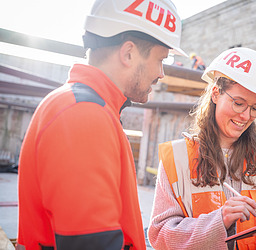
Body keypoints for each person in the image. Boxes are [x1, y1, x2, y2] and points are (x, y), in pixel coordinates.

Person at [16, 0, 186, 249]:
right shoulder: (83, 114)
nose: (161, 73)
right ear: (128, 53)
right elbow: (92, 242)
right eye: (161, 59)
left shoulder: (87, 107)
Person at [148, 48, 256, 249]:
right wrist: (218, 220)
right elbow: (160, 235)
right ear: (215, 93)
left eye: (255, 108)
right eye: (239, 103)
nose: (246, 116)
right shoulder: (177, 159)